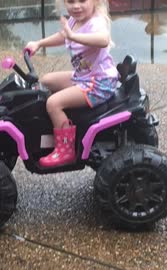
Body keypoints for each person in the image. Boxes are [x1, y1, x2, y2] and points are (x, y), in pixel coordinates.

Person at [24, 0, 118, 168]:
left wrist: (74, 36)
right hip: (84, 76)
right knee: (46, 81)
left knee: (53, 103)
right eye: (71, 1)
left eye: (82, 0)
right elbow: (63, 36)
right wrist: (39, 43)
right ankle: (55, 124)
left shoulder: (96, 22)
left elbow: (103, 39)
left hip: (99, 82)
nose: (76, 6)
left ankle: (65, 149)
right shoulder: (75, 20)